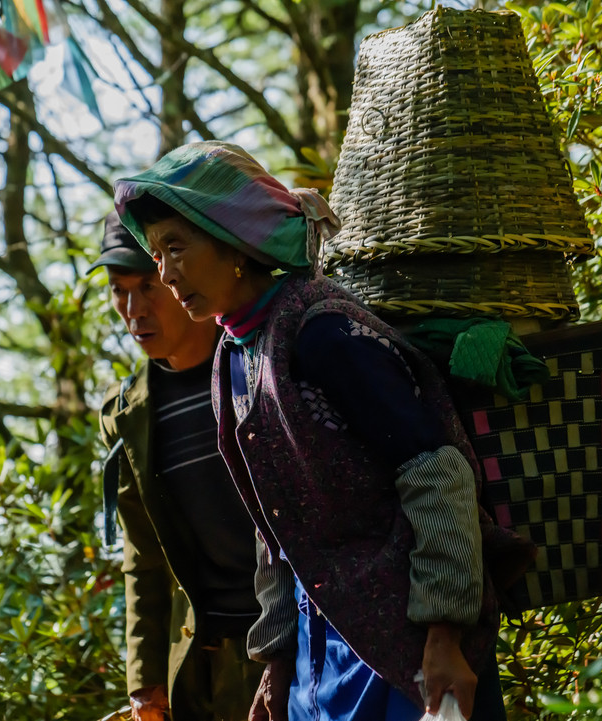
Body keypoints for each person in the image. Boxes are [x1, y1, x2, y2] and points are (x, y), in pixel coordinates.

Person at [114, 142, 517, 721]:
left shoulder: (323, 333)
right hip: (316, 654)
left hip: (406, 646)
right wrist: (278, 665)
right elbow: (273, 526)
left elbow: (437, 472)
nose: (166, 272)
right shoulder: (234, 356)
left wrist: (445, 634)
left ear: (233, 242)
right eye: (157, 255)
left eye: (177, 247)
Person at [94, 210, 267, 721]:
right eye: (118, 290)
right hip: (201, 669)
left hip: (298, 646)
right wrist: (145, 681)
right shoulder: (128, 414)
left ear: (177, 275)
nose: (133, 310)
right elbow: (142, 557)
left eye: (147, 285)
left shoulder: (260, 364)